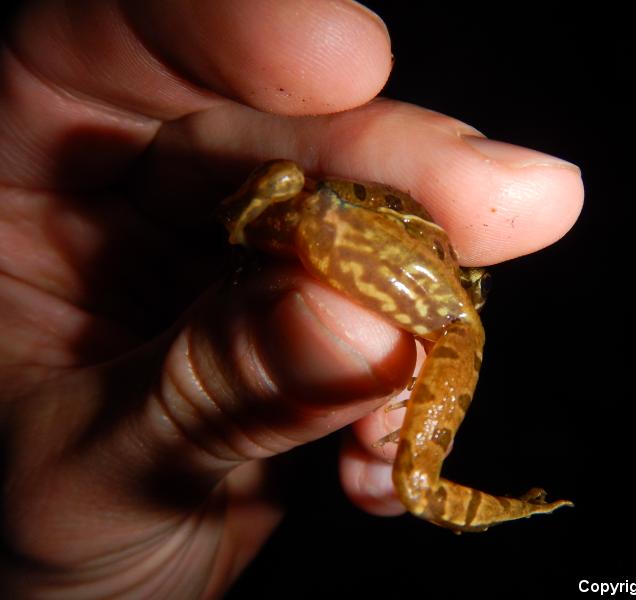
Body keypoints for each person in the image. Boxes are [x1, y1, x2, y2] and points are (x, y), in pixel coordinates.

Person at [0, 1, 583, 596]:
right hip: (346, 228)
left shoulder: (409, 282)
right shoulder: (453, 319)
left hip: (326, 217)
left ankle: (517, 509)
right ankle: (517, 509)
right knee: (414, 480)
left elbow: (288, 184)